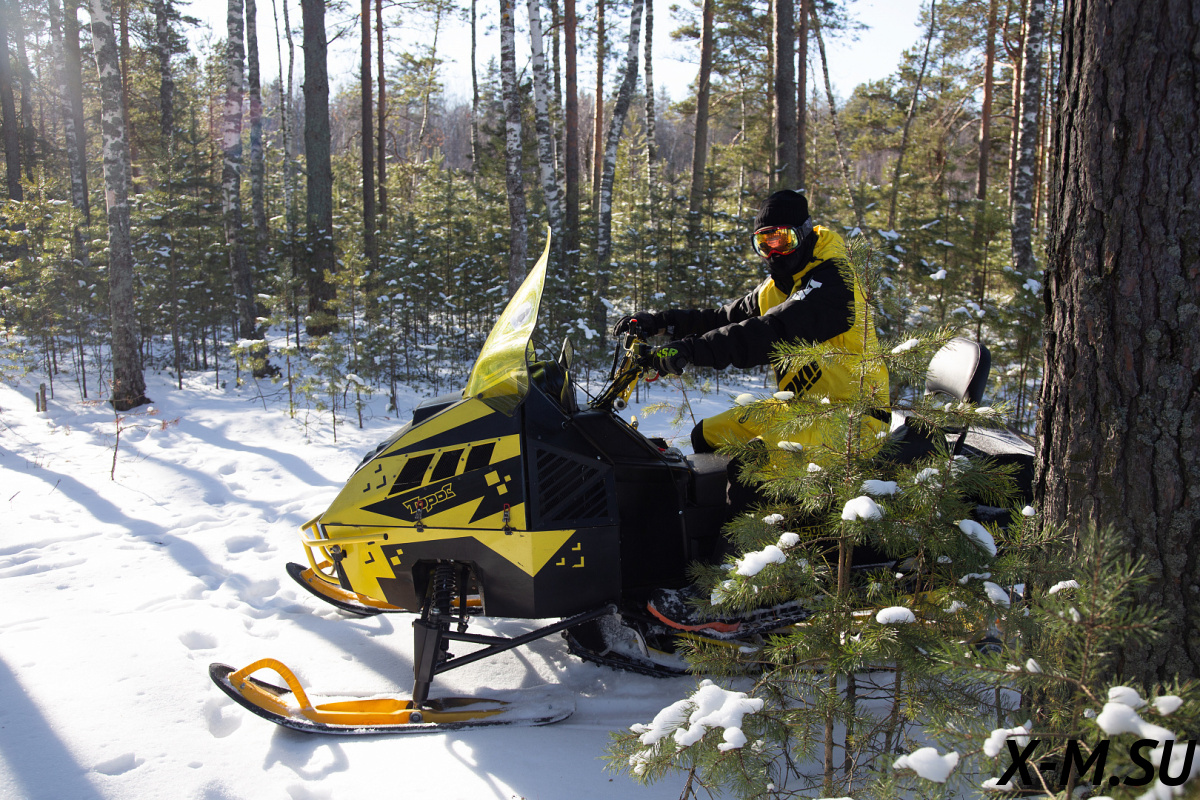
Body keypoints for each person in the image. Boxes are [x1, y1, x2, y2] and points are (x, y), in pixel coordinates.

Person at [614, 190, 891, 633]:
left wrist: (687, 352)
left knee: (755, 466)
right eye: (763, 243)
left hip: (851, 417)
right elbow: (726, 318)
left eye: (781, 240)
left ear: (804, 234)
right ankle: (700, 555)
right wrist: (661, 322)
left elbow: (769, 331)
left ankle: (733, 593)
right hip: (800, 411)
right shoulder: (781, 284)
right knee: (707, 435)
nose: (773, 252)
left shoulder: (834, 281)